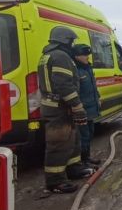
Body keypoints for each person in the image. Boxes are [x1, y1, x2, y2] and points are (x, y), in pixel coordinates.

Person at [38, 26, 94, 194]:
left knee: (73, 140)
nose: (72, 44)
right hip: (59, 108)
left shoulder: (49, 55)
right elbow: (63, 85)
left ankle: (73, 169)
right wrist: (77, 106)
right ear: (65, 40)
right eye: (71, 41)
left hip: (61, 107)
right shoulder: (60, 56)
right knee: (59, 144)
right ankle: (55, 181)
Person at [72, 44, 101, 168]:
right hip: (82, 109)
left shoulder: (87, 68)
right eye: (84, 55)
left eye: (88, 55)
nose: (87, 58)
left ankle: (87, 157)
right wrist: (78, 107)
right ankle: (83, 161)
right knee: (83, 136)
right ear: (76, 56)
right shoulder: (75, 70)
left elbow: (93, 86)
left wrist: (98, 97)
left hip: (90, 108)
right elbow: (73, 91)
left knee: (89, 133)